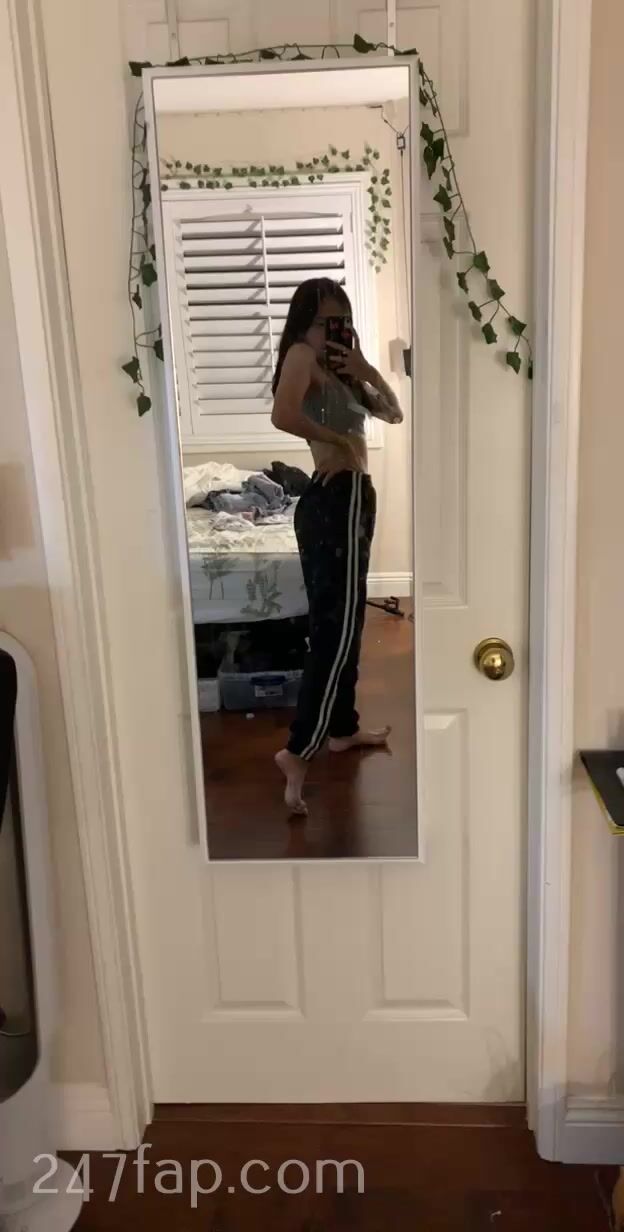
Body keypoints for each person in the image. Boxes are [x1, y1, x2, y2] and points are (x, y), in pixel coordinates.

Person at [271, 277, 404, 816]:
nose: (335, 329)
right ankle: (299, 750)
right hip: (336, 498)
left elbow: (393, 413)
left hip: (350, 500)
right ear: (305, 322)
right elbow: (282, 414)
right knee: (337, 628)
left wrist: (366, 369)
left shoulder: (342, 371)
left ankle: (343, 729)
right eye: (328, 320)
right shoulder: (302, 356)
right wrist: (336, 441)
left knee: (346, 619)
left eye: (342, 320)